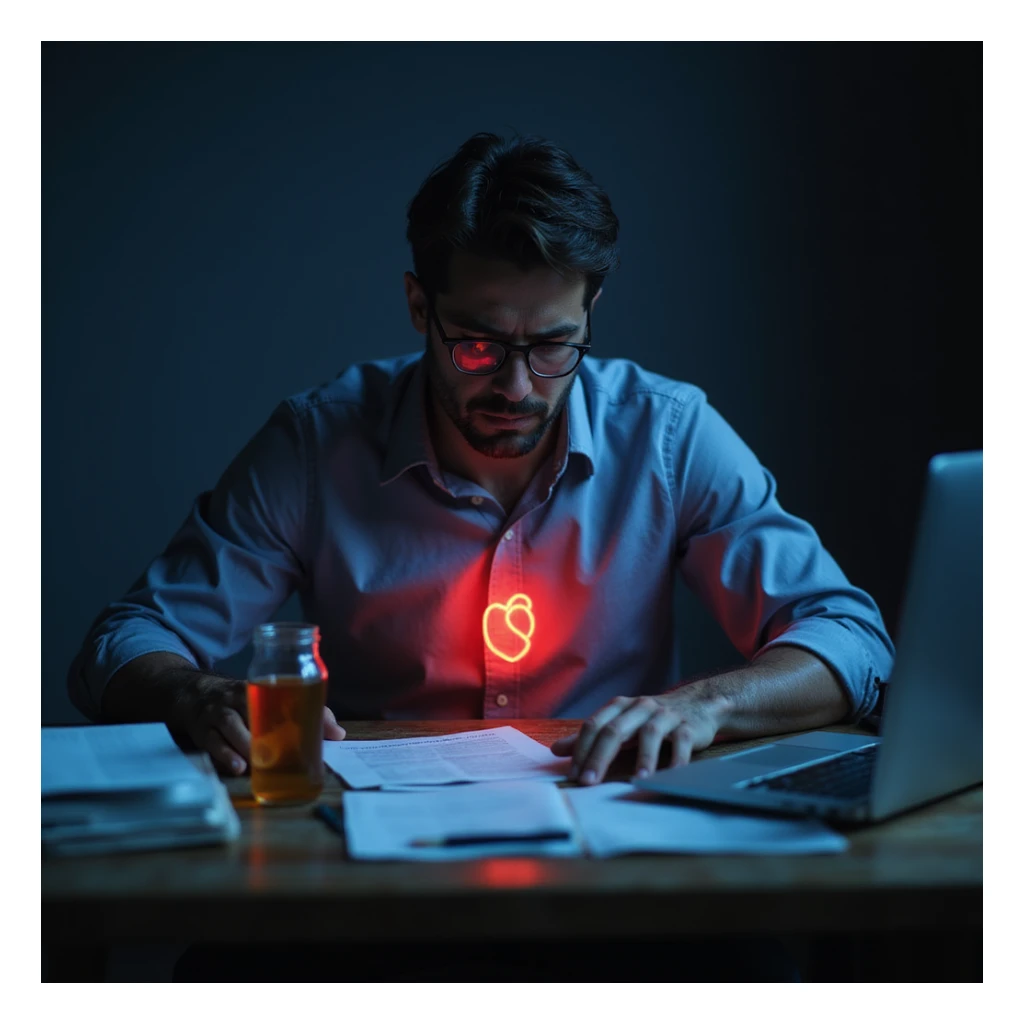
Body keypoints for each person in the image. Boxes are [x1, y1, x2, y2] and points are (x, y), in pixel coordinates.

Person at [68, 131, 895, 788]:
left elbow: (850, 639)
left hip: (613, 846)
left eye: (552, 346)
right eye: (477, 344)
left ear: (591, 312)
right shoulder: (319, 445)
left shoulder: (668, 434)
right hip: (373, 864)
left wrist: (705, 707)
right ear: (418, 304)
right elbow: (124, 642)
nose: (516, 385)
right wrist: (189, 691)